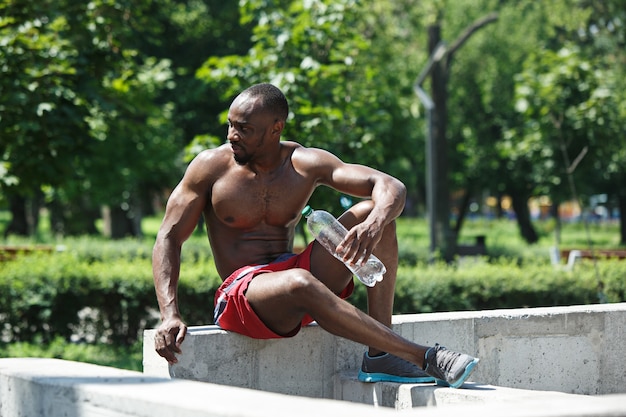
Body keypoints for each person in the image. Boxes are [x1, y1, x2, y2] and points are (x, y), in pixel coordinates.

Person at [152, 83, 479, 388]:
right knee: (299, 281)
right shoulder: (210, 167)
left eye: (245, 129)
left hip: (295, 275)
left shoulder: (302, 163)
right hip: (244, 294)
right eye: (230, 125)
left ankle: (382, 357)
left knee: (374, 213)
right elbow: (168, 236)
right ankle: (423, 356)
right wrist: (170, 314)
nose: (232, 135)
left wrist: (376, 222)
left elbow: (391, 186)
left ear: (276, 129)